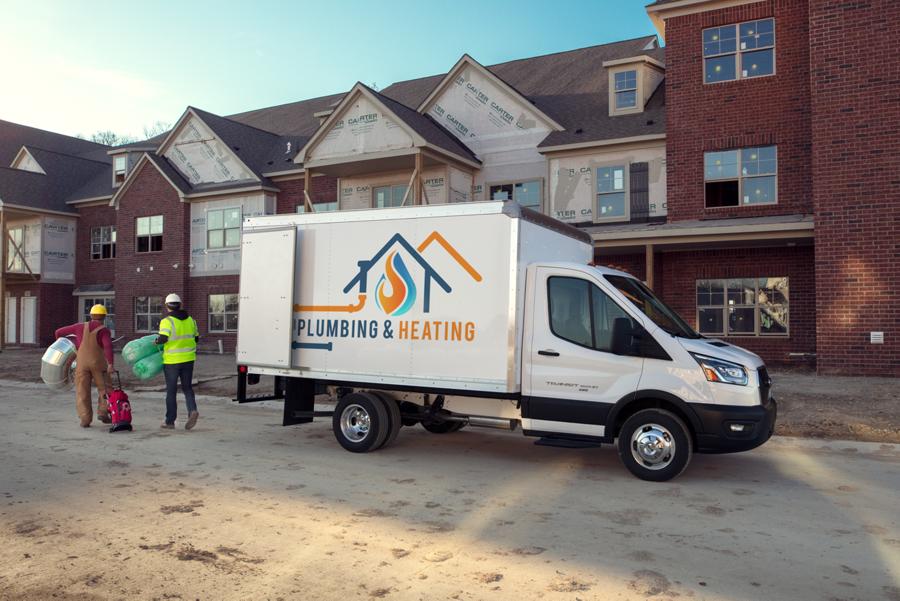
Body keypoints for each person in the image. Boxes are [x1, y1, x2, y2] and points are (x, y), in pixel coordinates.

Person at [55, 304, 114, 427]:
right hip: (98, 363)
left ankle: (85, 419)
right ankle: (103, 411)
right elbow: (108, 346)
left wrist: (69, 344)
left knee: (82, 391)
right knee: (105, 388)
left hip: (81, 363)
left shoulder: (79, 326)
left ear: (91, 315)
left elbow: (58, 332)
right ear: (104, 317)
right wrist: (110, 364)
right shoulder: (104, 330)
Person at [156, 293, 200, 430]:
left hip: (172, 361)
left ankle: (170, 421)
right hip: (188, 359)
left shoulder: (167, 321)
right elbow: (196, 338)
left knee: (171, 391)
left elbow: (163, 338)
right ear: (180, 305)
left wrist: (156, 341)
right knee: (187, 388)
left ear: (167, 306)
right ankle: (192, 410)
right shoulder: (191, 320)